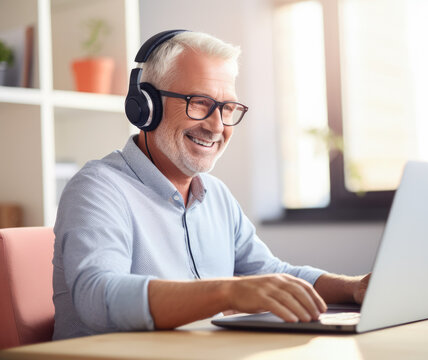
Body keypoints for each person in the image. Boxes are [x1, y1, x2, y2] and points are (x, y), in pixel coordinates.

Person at [52, 30, 370, 340]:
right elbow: (98, 297)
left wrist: (353, 288)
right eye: (200, 103)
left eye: (228, 108)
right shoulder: (98, 188)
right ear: (147, 106)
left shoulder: (215, 194)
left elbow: (269, 274)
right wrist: (227, 291)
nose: (217, 126)